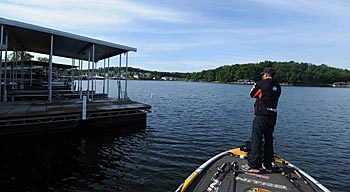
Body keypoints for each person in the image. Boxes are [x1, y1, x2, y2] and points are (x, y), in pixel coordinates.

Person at [243, 67, 281, 173]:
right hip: (272, 116)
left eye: (263, 74)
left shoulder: (262, 83)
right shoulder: (277, 86)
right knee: (269, 140)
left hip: (262, 116)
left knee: (256, 139)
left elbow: (253, 95)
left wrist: (254, 87)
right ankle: (268, 164)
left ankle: (253, 165)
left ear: (266, 75)